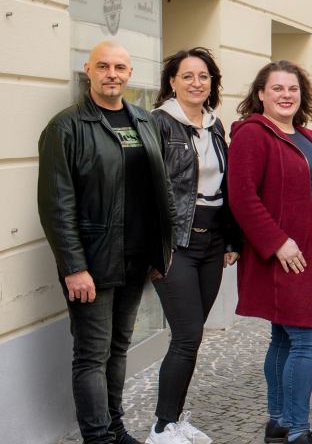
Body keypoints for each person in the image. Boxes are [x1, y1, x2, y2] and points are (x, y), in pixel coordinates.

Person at [37, 40, 174, 444]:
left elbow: (159, 191)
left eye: (119, 67)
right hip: (92, 264)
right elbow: (56, 205)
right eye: (103, 66)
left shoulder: (144, 122)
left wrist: (158, 251)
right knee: (92, 355)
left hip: (134, 260)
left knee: (118, 348)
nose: (112, 74)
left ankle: (115, 428)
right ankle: (97, 437)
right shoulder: (66, 127)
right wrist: (74, 267)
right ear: (89, 71)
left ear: (131, 74)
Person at [228, 61, 312, 444]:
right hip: (285, 257)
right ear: (261, 94)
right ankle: (296, 429)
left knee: (284, 340)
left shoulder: (305, 135)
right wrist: (277, 242)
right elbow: (241, 197)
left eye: (293, 89)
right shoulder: (253, 135)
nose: (286, 95)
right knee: (308, 341)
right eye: (277, 88)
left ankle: (279, 422)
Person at [145, 48, 242, 444]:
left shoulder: (216, 127)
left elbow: (227, 186)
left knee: (192, 334)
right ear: (172, 81)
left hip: (212, 240)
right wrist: (153, 248)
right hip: (175, 243)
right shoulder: (158, 124)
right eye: (187, 76)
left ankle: (174, 420)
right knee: (187, 336)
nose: (196, 83)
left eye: (203, 77)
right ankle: (161, 427)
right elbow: (143, 190)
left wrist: (231, 239)